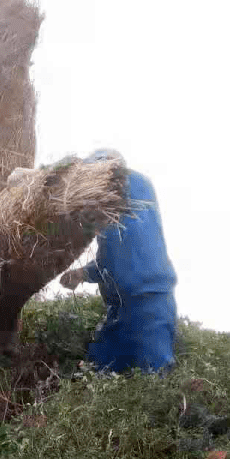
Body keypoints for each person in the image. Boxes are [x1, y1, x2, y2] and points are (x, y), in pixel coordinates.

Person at [59, 149, 177, 373]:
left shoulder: (133, 186)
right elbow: (109, 262)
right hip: (119, 310)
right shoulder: (109, 225)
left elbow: (131, 260)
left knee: (157, 376)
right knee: (95, 369)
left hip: (150, 303)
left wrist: (65, 173)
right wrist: (81, 274)